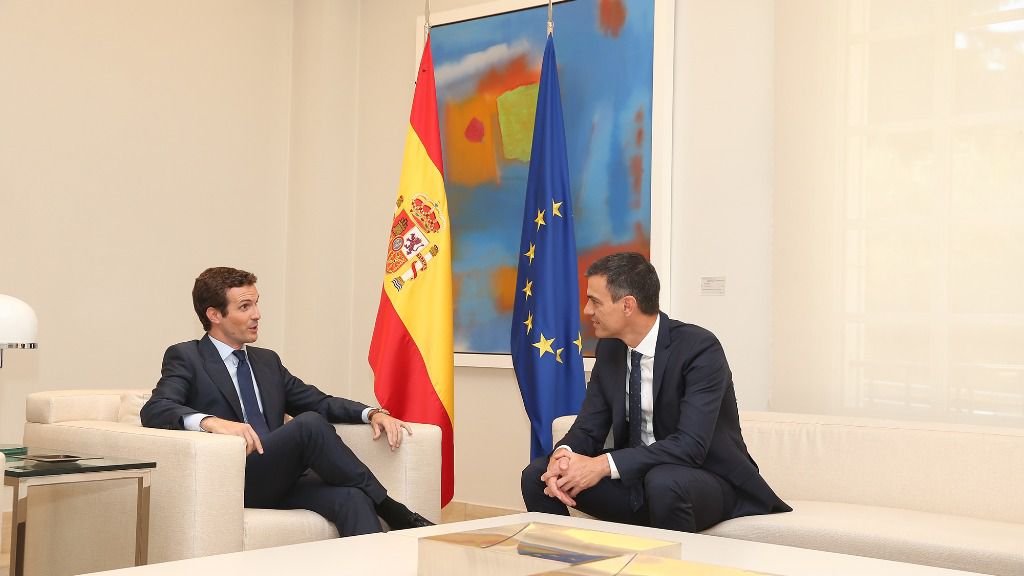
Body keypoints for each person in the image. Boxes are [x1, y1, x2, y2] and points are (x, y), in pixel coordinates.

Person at [141, 267, 433, 536]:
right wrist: (211, 422)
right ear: (215, 315)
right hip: (235, 477)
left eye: (256, 303)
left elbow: (318, 402)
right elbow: (156, 409)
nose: (257, 314)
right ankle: (392, 509)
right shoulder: (187, 357)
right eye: (245, 307)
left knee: (352, 497)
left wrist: (371, 414)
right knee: (308, 426)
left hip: (281, 476)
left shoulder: (266, 361)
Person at [521, 252, 791, 532]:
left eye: (595, 301)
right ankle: (569, 565)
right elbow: (589, 428)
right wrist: (563, 457)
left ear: (628, 305)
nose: (587, 311)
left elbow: (690, 446)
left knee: (664, 482)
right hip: (639, 478)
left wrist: (601, 465)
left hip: (705, 479)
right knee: (538, 476)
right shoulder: (610, 349)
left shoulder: (699, 349)